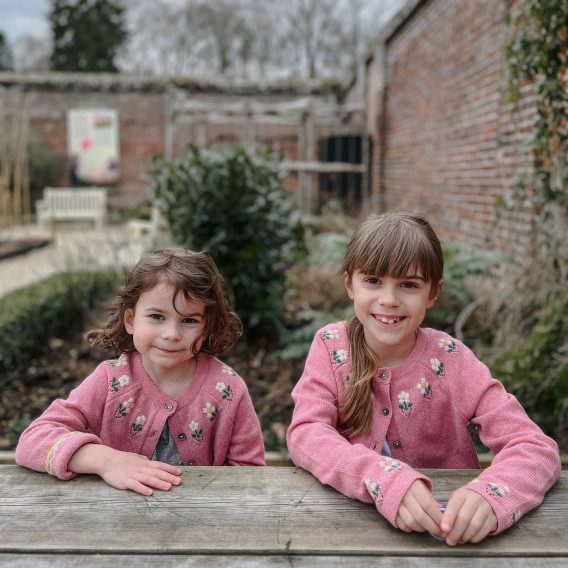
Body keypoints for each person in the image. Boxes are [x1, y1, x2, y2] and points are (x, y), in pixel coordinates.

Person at [286, 211, 560, 546]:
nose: (389, 299)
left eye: (409, 284)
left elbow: (535, 447)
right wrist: (378, 477)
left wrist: (492, 496)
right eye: (373, 280)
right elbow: (306, 433)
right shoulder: (331, 347)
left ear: (433, 293)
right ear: (349, 284)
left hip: (450, 541)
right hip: (350, 536)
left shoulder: (450, 359)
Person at [16, 249, 265, 496]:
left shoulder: (228, 389)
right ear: (130, 320)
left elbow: (250, 475)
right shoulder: (110, 381)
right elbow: (32, 441)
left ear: (208, 326)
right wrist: (106, 460)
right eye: (157, 316)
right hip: (117, 524)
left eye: (189, 320)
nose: (172, 334)